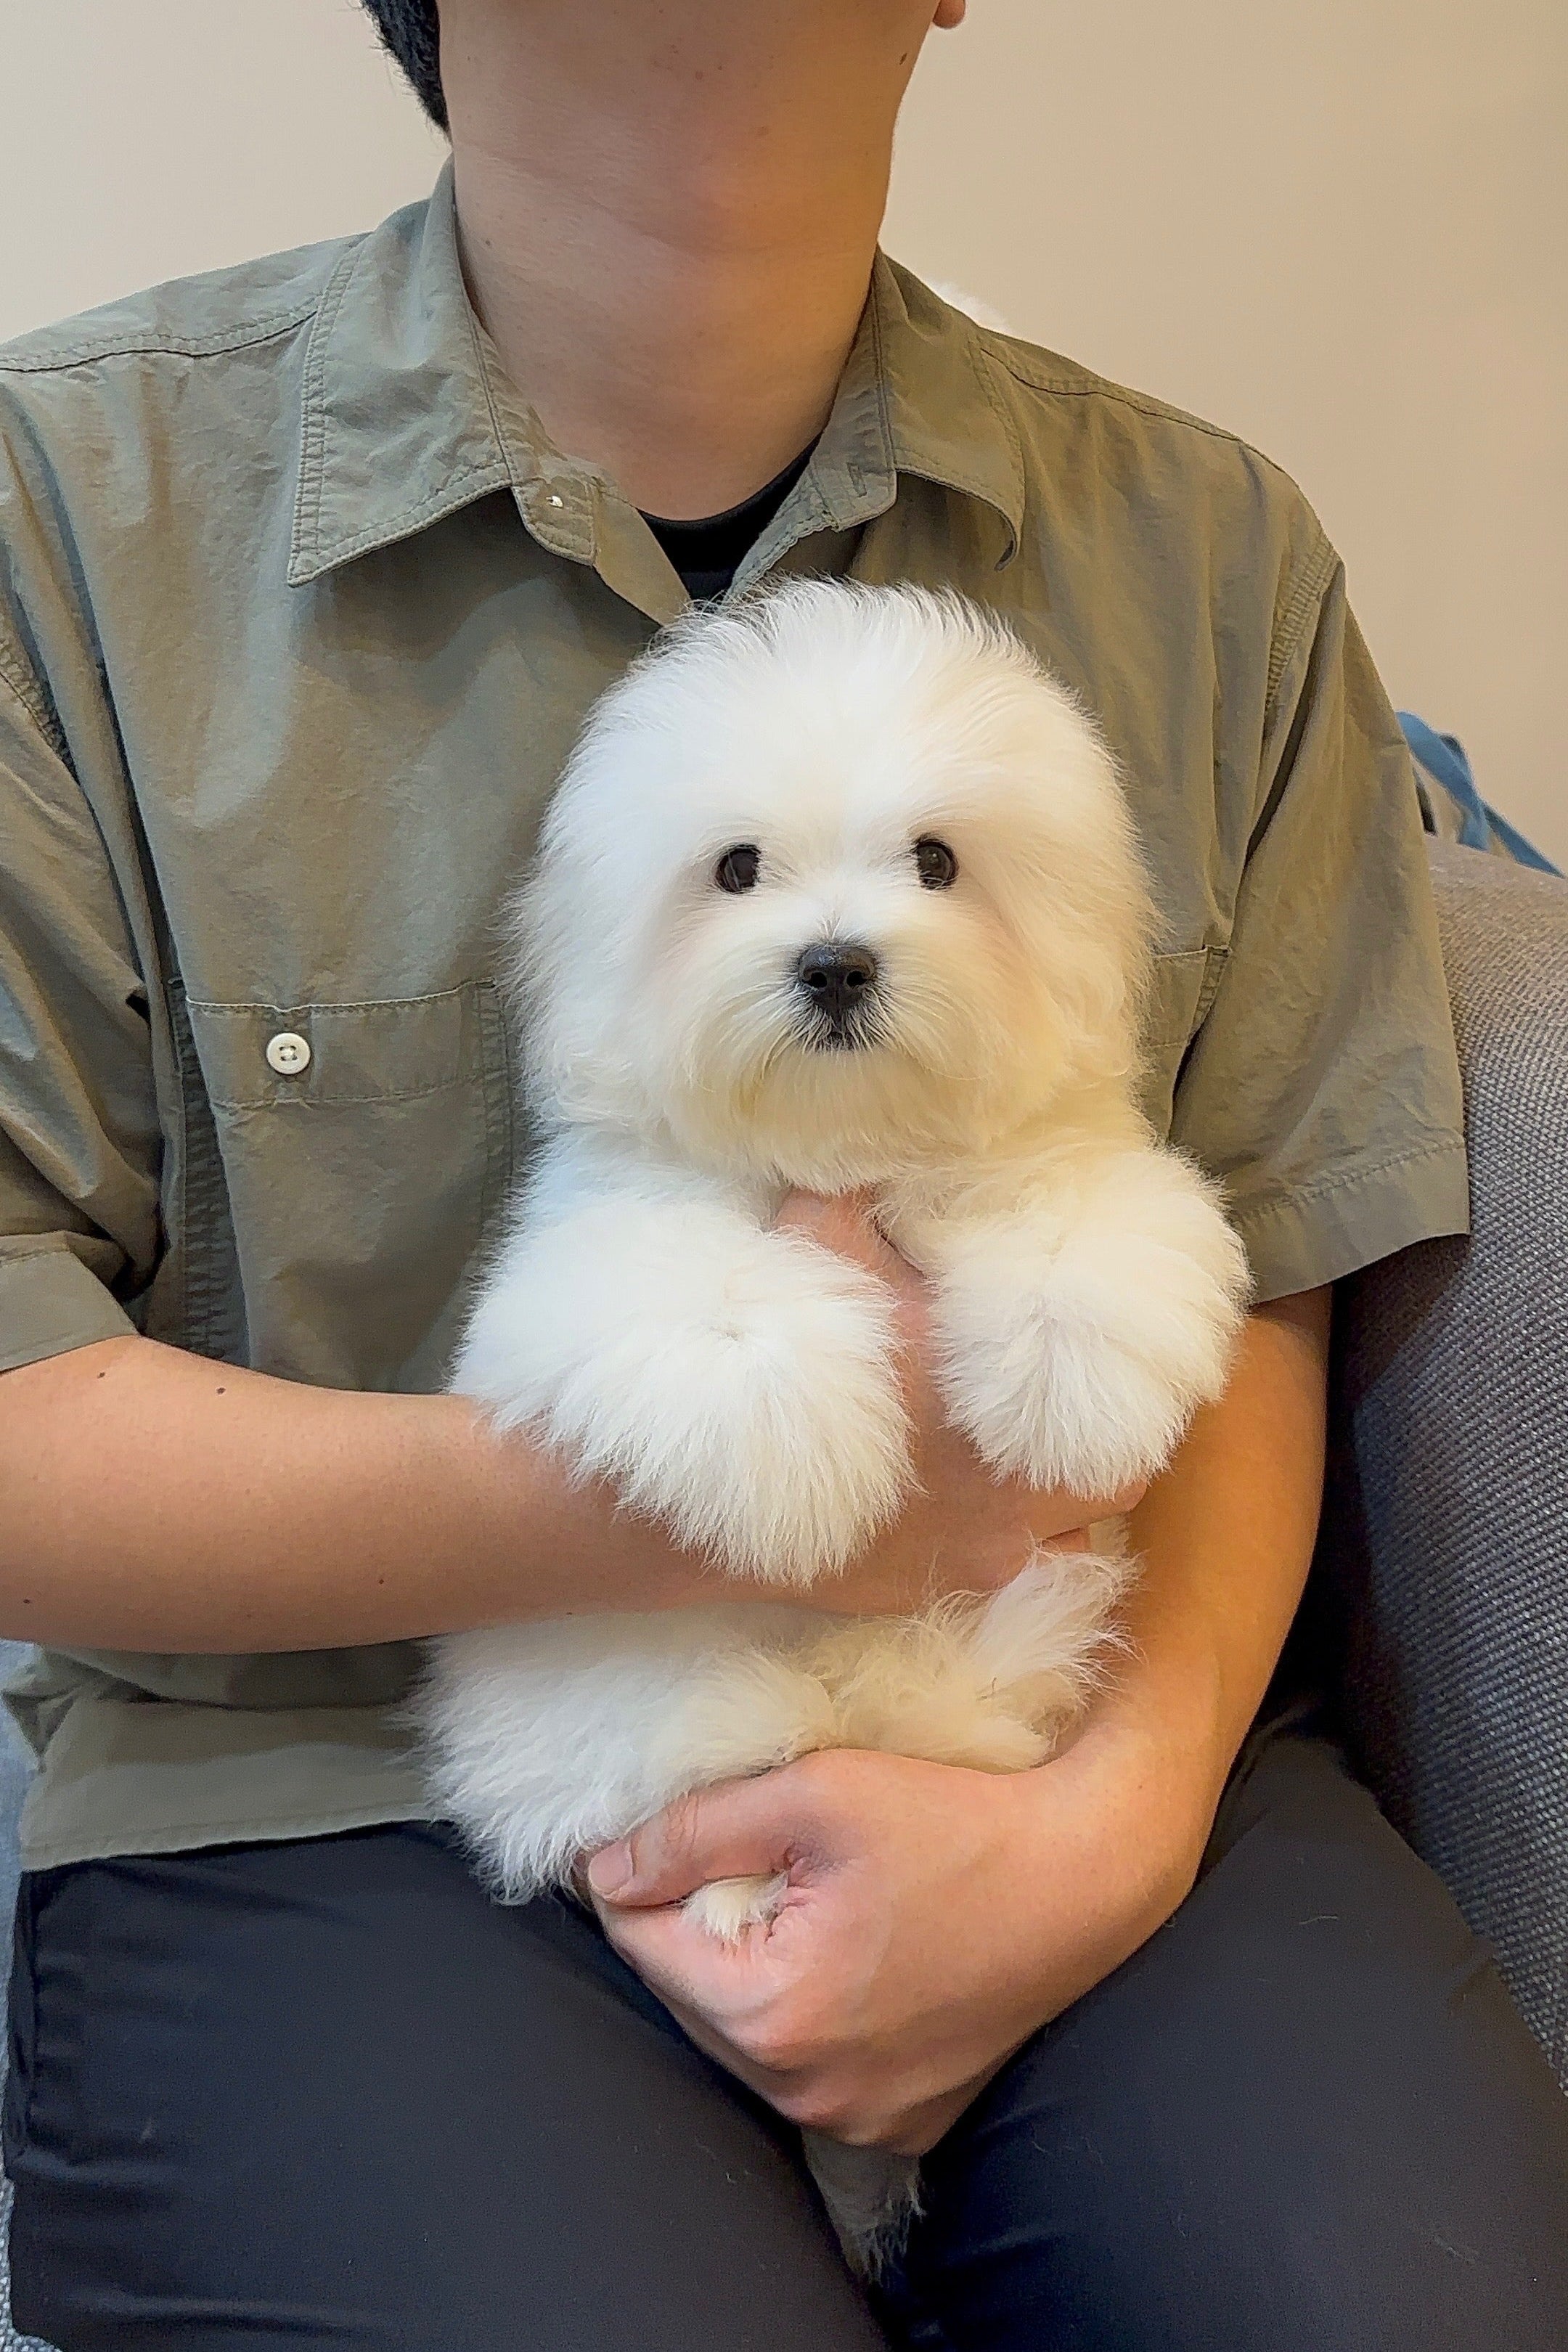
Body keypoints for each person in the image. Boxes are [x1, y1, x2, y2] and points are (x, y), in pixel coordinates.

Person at [0, 2, 1562, 2344]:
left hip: (1086, 1711)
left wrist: (1105, 1826)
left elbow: (1269, 1243)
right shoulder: (63, 516)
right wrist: (722, 1494)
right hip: (314, 1784)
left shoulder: (1211, 553)